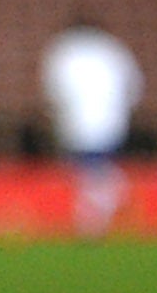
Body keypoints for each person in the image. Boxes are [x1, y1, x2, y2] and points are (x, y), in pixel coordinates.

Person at [39, 13, 142, 238]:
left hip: (75, 123)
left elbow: (53, 89)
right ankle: (103, 207)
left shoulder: (63, 50)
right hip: (112, 121)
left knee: (88, 170)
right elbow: (134, 87)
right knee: (96, 168)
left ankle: (94, 218)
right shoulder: (114, 49)